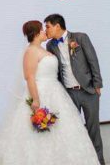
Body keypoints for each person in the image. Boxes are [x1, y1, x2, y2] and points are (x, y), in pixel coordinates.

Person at [0, 20, 100, 165]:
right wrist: (35, 99)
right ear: (35, 33)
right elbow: (29, 77)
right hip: (40, 93)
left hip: (56, 91)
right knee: (39, 134)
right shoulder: (30, 51)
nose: (45, 32)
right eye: (42, 30)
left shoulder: (46, 48)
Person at [44, 14, 105, 164]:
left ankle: (99, 162)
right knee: (74, 131)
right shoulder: (50, 45)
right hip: (69, 94)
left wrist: (97, 85)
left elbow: (93, 61)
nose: (46, 30)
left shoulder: (80, 38)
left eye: (48, 26)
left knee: (93, 129)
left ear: (57, 26)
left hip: (88, 91)